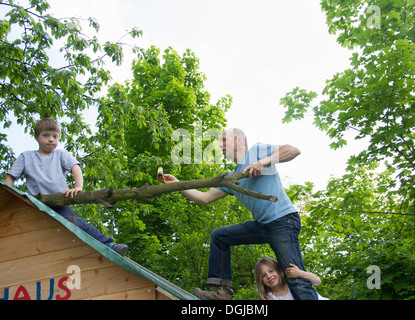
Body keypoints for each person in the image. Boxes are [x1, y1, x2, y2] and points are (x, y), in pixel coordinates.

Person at [158, 128, 318, 300]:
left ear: (238, 141)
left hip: (282, 221)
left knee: (295, 279)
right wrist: (176, 183)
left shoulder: (256, 152)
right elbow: (204, 198)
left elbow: (293, 150)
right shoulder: (231, 178)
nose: (220, 145)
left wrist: (263, 162)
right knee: (219, 237)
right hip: (262, 225)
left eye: (224, 140)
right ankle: (223, 292)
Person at [4, 118, 128, 256]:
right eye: (46, 135)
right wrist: (9, 200)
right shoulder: (25, 157)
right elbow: (10, 178)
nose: (51, 139)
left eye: (55, 136)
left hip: (59, 203)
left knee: (73, 222)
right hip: (36, 206)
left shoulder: (61, 154)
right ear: (36, 137)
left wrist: (78, 187)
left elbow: (75, 167)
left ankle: (109, 245)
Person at [254, 257, 329, 300]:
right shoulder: (268, 297)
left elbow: (318, 281)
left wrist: (300, 273)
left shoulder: (292, 282)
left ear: (279, 271)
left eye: (271, 271)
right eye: (263, 275)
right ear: (260, 280)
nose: (269, 276)